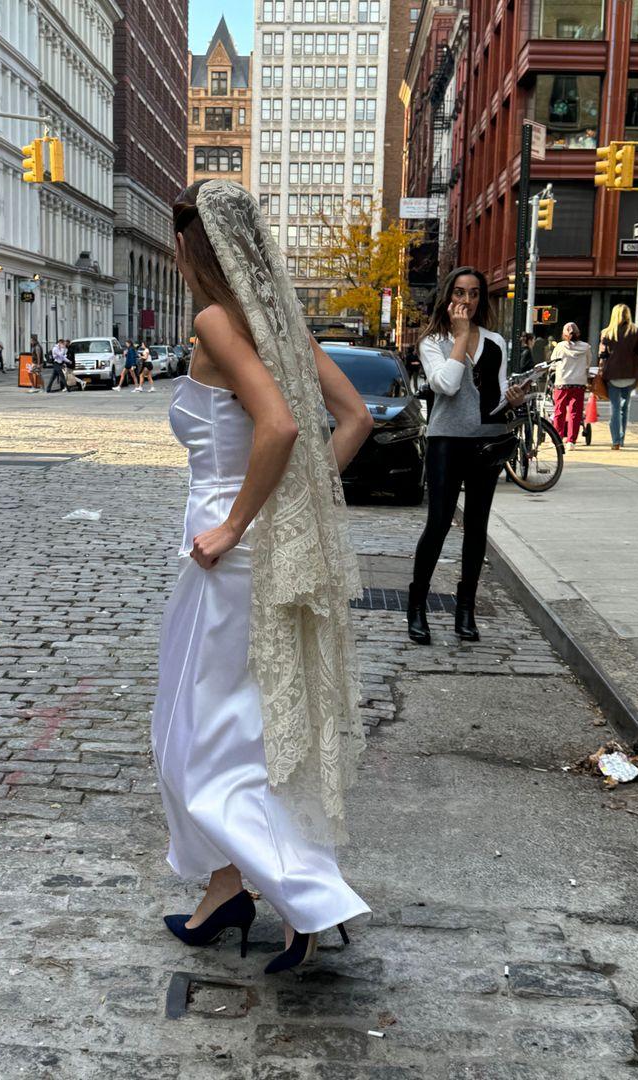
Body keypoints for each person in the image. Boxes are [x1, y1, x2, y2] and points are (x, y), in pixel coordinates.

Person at [152, 179, 373, 975]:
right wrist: (295, 509)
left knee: (192, 743)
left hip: (224, 554)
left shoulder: (216, 319)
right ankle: (223, 891)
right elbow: (355, 420)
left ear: (192, 245)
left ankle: (306, 894)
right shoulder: (276, 321)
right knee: (229, 727)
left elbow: (280, 426)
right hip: (247, 549)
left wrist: (241, 521)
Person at [407, 266, 526, 646]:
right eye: (460, 293)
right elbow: (445, 384)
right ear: (449, 296)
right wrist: (459, 339)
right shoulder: (433, 341)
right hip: (447, 441)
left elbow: (498, 387)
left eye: (474, 294)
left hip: (486, 441)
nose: (467, 301)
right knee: (439, 524)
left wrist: (513, 397)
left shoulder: (495, 341)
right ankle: (417, 607)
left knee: (476, 528)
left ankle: (466, 610)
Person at [598, 304, 638, 450]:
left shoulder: (606, 332)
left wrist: (601, 368)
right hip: (631, 375)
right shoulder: (635, 331)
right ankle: (622, 437)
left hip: (612, 375)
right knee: (625, 407)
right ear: (627, 315)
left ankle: (616, 441)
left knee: (615, 408)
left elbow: (602, 355)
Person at [549, 323, 593, 451]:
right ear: (578, 333)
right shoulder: (586, 347)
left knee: (559, 411)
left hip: (562, 382)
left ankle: (557, 438)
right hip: (579, 383)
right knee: (575, 412)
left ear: (564, 334)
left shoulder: (560, 347)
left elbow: (553, 364)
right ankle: (571, 441)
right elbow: (588, 363)